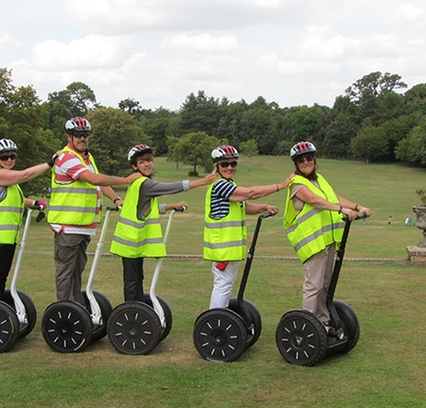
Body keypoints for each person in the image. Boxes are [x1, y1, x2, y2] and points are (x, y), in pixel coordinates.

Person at [48, 117, 142, 305]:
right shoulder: (66, 157)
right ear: (69, 136)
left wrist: (116, 199)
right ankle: (65, 312)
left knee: (76, 273)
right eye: (79, 135)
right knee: (66, 275)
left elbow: (99, 182)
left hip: (83, 227)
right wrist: (126, 180)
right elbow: (93, 179)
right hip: (68, 226)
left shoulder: (87, 158)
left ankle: (77, 310)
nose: (83, 138)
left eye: (86, 135)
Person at [282, 141, 371, 338]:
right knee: (314, 285)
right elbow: (314, 200)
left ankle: (323, 323)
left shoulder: (319, 179)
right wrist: (341, 210)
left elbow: (334, 197)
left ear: (315, 159)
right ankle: (305, 329)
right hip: (312, 243)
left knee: (325, 285)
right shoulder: (297, 183)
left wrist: (358, 207)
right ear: (295, 163)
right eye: (301, 159)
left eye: (309, 157)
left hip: (328, 241)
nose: (306, 162)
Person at [109, 144, 219, 302]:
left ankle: (136, 309)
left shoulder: (139, 183)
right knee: (133, 282)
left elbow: (146, 209)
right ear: (134, 166)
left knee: (136, 279)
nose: (147, 164)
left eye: (149, 160)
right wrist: (203, 181)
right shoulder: (145, 184)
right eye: (142, 162)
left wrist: (170, 207)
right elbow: (170, 187)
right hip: (131, 243)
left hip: (132, 242)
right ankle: (132, 316)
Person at [203, 145, 290, 309]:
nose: (230, 167)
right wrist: (280, 186)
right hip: (223, 249)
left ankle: (221, 317)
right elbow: (250, 193)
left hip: (229, 248)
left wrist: (264, 207)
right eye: (225, 164)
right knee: (223, 284)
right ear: (217, 166)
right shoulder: (220, 185)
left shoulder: (228, 184)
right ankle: (215, 320)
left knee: (226, 284)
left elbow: (245, 206)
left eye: (233, 164)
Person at [0, 138, 51, 301]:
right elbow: (25, 175)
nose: (9, 160)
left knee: (0, 278)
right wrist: (49, 163)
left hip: (7, 237)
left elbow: (16, 199)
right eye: (4, 157)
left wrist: (33, 203)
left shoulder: (9, 182)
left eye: (12, 156)